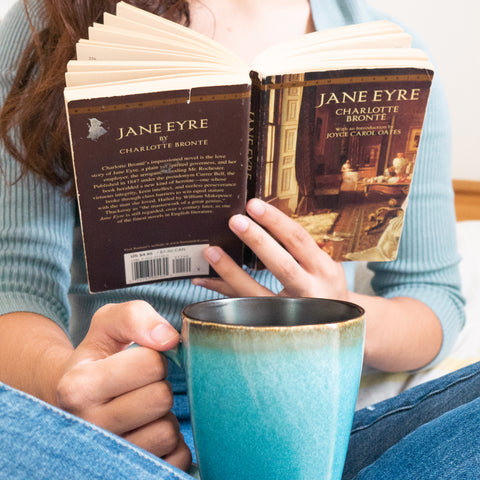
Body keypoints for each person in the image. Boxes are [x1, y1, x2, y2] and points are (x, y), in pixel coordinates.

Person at [0, 0, 477, 478]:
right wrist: (69, 383)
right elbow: (16, 287)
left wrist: (338, 306)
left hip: (319, 422)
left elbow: (433, 299)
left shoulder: (389, 54)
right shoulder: (56, 20)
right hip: (137, 413)